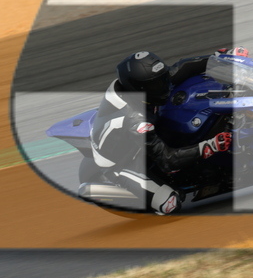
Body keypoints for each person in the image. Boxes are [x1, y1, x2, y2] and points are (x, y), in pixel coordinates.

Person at [81, 50, 237, 215]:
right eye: (157, 84)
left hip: (137, 136)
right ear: (140, 88)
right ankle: (108, 187)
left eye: (163, 78)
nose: (165, 86)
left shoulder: (143, 86)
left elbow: (182, 67)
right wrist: (210, 146)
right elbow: (168, 160)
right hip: (123, 162)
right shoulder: (136, 120)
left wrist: (220, 57)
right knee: (170, 203)